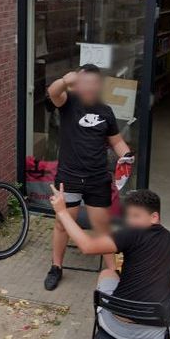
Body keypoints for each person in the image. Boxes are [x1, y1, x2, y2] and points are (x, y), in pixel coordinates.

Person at [49, 185, 170, 339]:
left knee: (107, 273)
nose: (129, 221)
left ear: (154, 217)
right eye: (128, 216)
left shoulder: (130, 233)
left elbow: (87, 246)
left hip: (112, 326)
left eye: (136, 216)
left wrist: (62, 212)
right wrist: (161, 282)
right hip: (155, 334)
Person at [43, 64, 132, 290]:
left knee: (102, 226)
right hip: (69, 177)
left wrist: (127, 156)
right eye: (85, 82)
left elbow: (117, 142)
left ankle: (112, 272)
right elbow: (53, 92)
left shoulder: (106, 111)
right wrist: (65, 79)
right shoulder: (68, 102)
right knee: (63, 224)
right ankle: (56, 267)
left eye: (94, 82)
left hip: (97, 179)